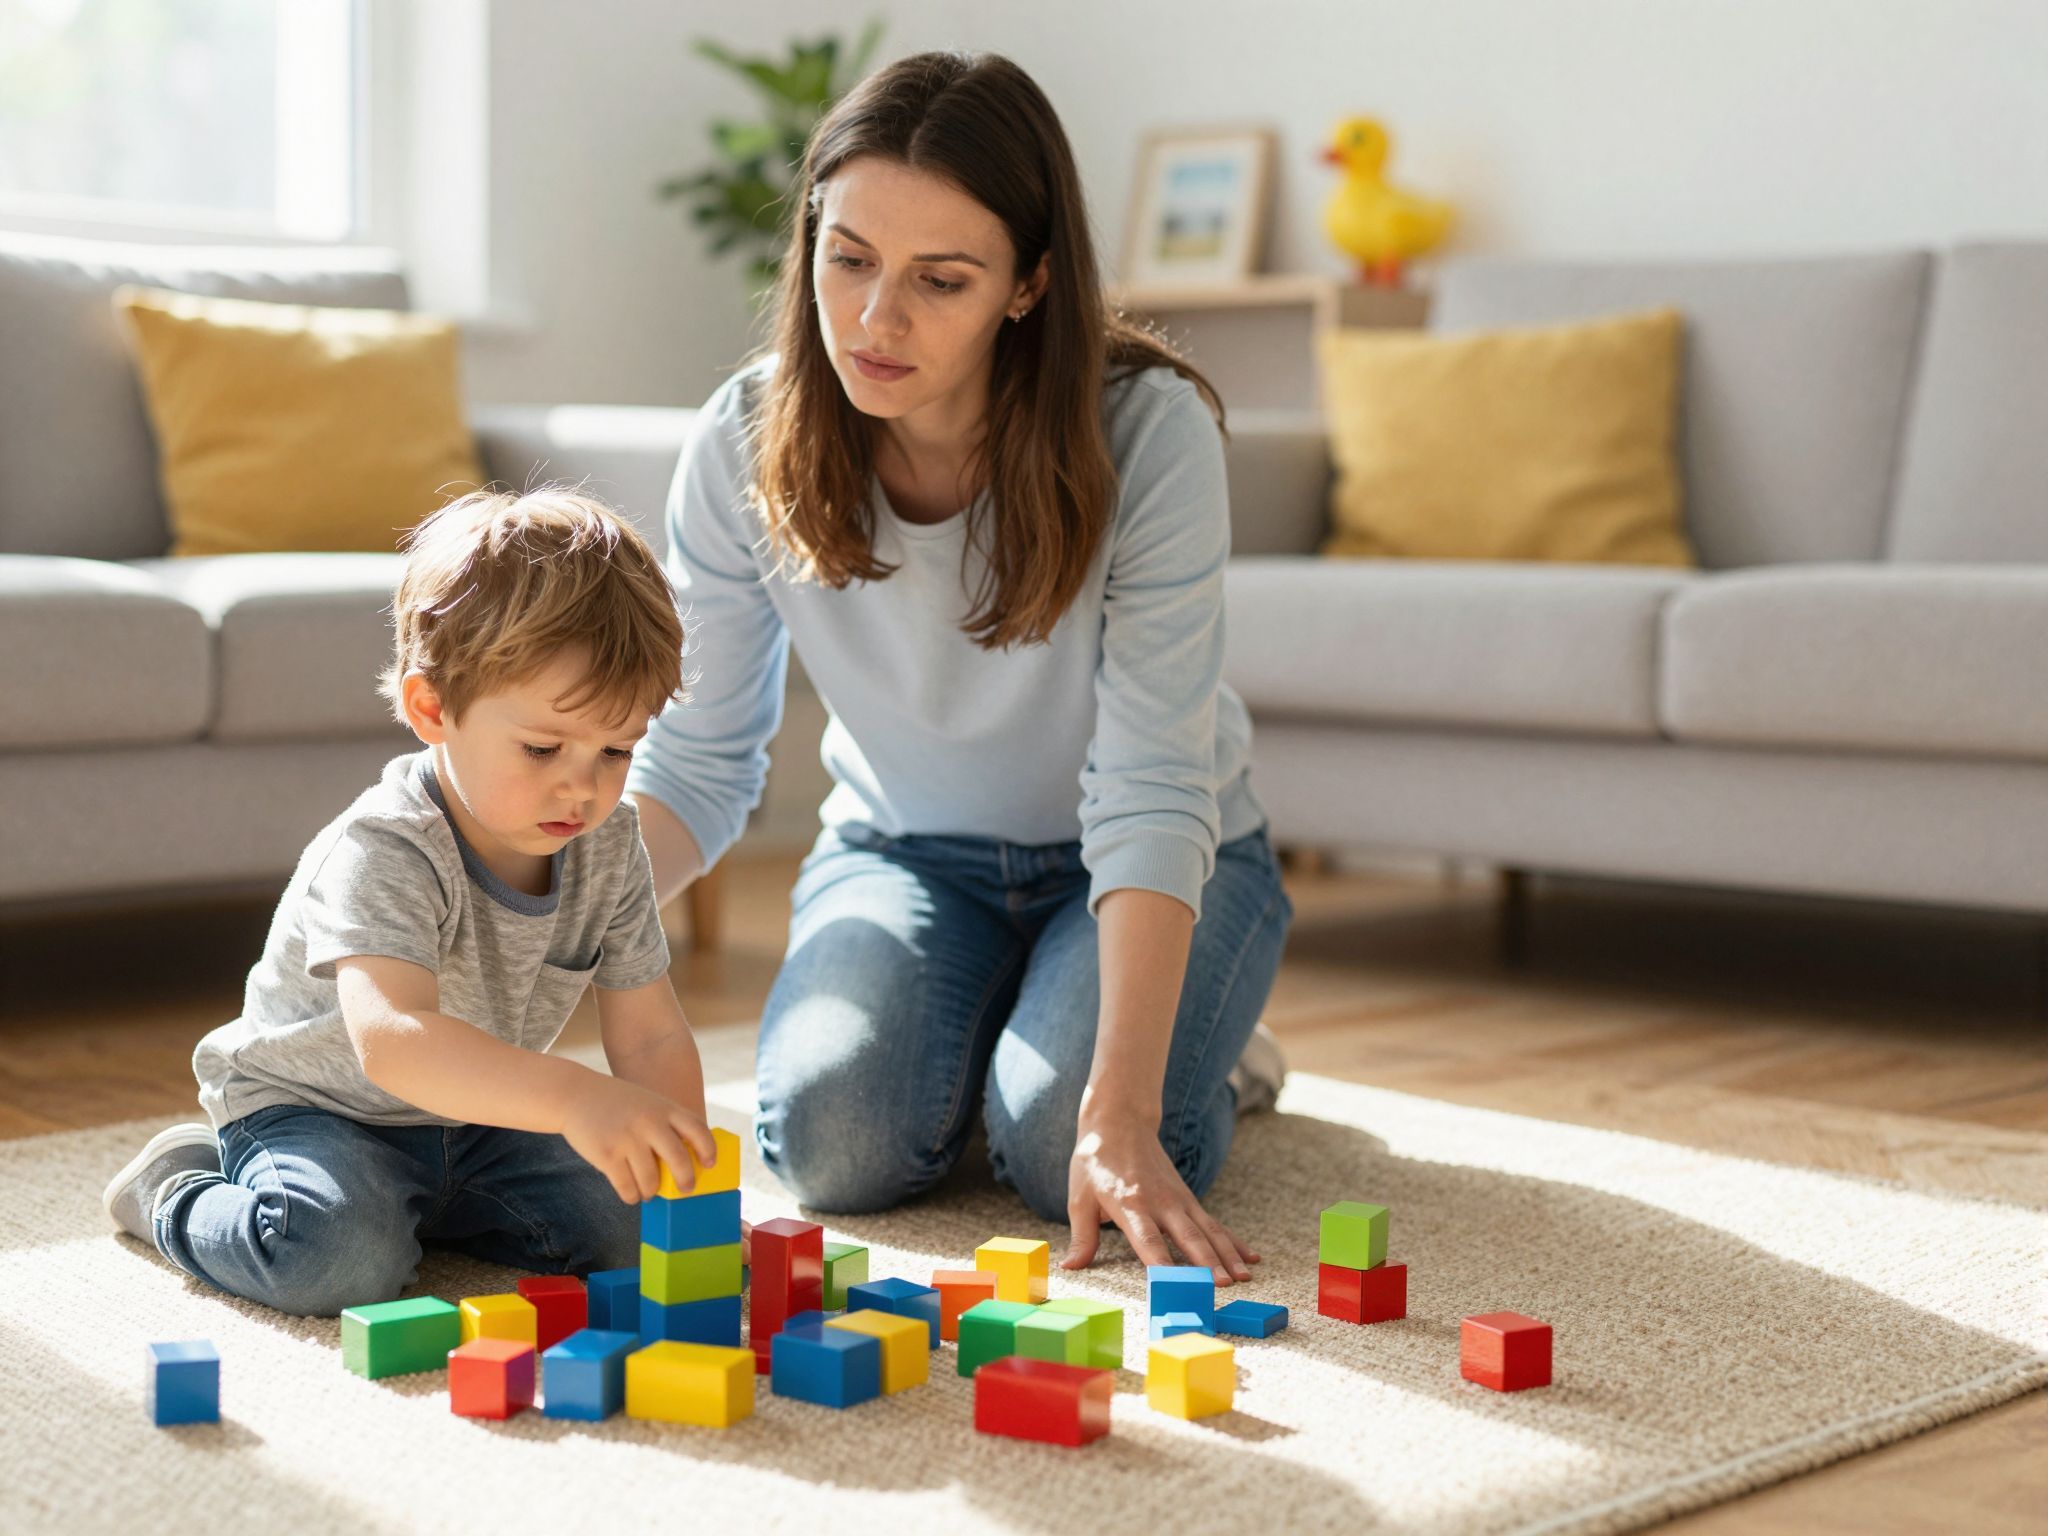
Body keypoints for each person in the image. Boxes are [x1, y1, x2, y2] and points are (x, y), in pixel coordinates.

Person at [625, 51, 1294, 1286]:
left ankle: (1206, 1045)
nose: (877, 320)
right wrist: (539, 928)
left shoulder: (1147, 433)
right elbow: (701, 759)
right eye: (849, 258)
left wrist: (1124, 1111)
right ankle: (1027, 1021)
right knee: (832, 1145)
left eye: (940, 280)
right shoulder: (737, 441)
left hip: (1144, 857)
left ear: (1028, 285)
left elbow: (1152, 783)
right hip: (904, 855)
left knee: (1063, 1153)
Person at [101, 488, 722, 1317]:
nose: (584, 786)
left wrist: (688, 1189)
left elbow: (648, 1033)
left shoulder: (608, 843)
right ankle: (175, 1191)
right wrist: (574, 1096)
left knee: (632, 1235)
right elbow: (394, 1044)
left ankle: (435, 1215)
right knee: (338, 1262)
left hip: (481, 1121)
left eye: (617, 750)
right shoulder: (386, 846)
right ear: (434, 709)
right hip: (323, 1113)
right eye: (543, 747)